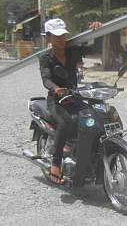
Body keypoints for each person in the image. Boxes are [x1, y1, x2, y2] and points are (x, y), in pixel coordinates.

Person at [39, 18, 85, 184]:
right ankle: (56, 164)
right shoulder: (45, 58)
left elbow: (94, 46)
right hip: (55, 100)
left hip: (73, 95)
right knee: (65, 121)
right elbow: (46, 79)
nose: (62, 39)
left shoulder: (72, 51)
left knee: (94, 115)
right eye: (57, 36)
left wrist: (96, 31)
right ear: (48, 38)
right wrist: (55, 88)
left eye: (63, 36)